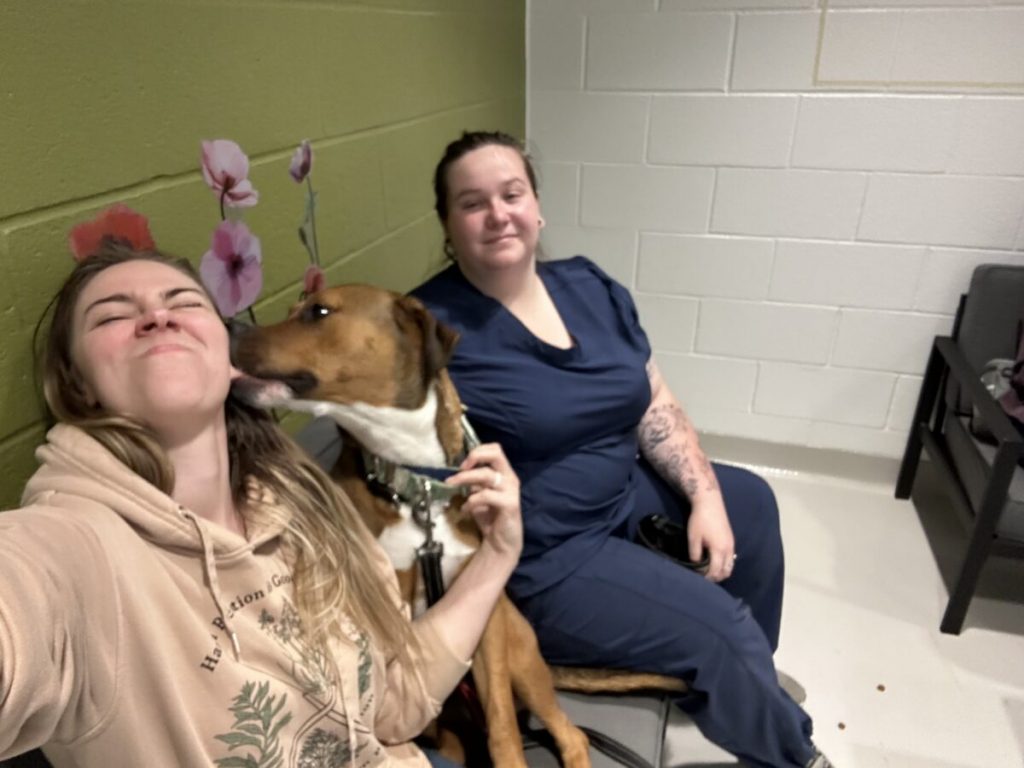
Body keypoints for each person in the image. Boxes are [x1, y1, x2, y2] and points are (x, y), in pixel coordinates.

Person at [0, 237, 523, 768]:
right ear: (79, 385)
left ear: (230, 360)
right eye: (112, 316)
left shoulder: (314, 501)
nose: (157, 317)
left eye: (184, 303)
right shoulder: (71, 548)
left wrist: (499, 553)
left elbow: (394, 702)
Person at [412, 131, 833, 768]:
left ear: (536, 206)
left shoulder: (587, 285)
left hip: (623, 491)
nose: (498, 214)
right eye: (473, 203)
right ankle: (791, 751)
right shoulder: (431, 328)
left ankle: (749, 686)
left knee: (751, 502)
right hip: (548, 552)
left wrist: (706, 496)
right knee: (722, 631)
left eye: (512, 193)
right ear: (448, 223)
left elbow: (653, 395)